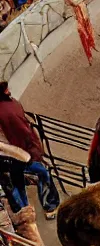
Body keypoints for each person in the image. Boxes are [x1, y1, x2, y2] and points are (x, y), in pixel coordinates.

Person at [0, 81, 60, 220]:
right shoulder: (9, 108)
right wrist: (35, 152)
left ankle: (24, 212)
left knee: (15, 184)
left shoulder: (8, 106)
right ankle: (50, 206)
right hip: (17, 153)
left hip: (8, 155)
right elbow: (24, 133)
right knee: (42, 173)